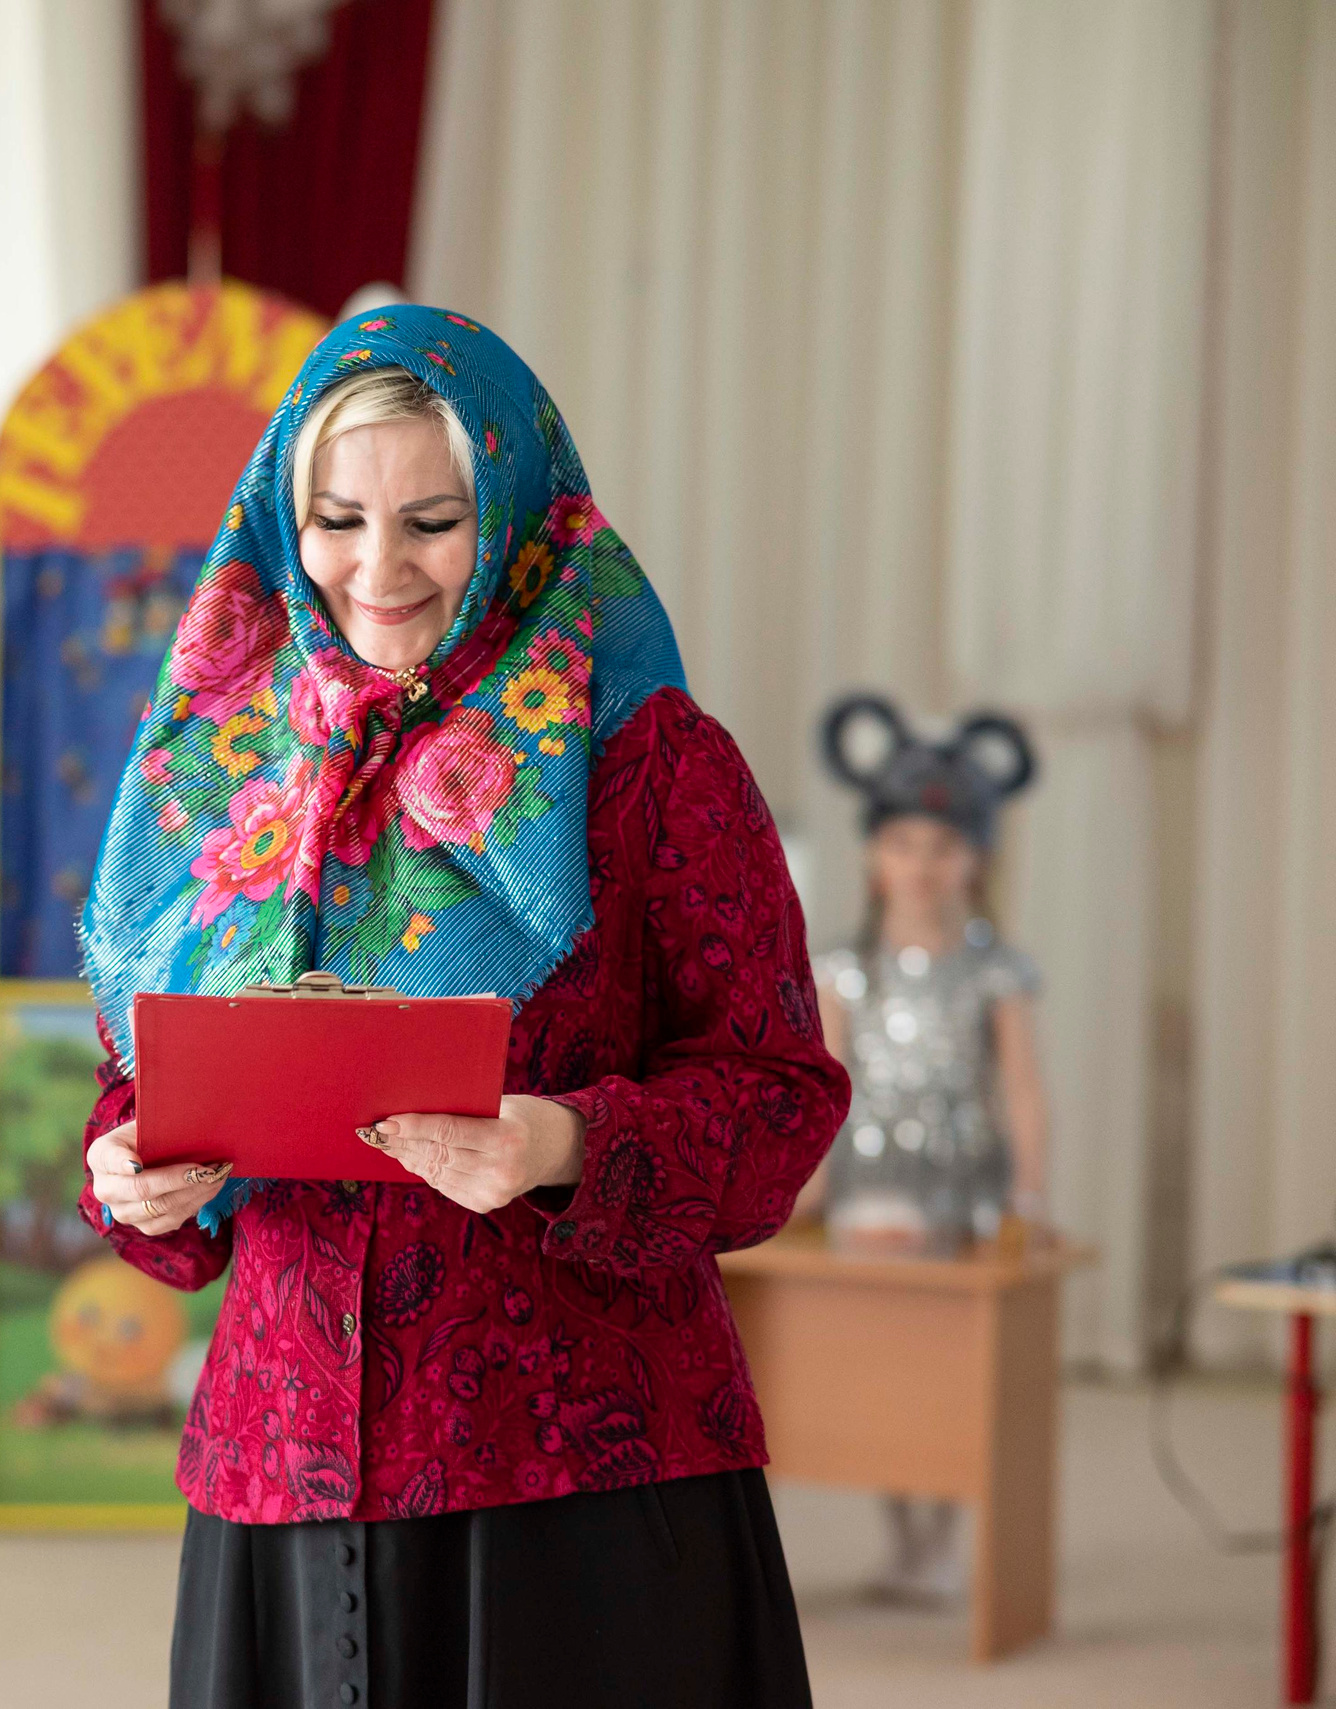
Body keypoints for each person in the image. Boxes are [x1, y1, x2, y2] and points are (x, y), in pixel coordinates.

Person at [75, 307, 849, 1708]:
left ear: (514, 512)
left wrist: (556, 1147)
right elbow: (147, 1080)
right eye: (335, 518)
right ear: (278, 518)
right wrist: (130, 1174)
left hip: (576, 1465)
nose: (378, 571)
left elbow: (780, 1098)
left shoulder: (649, 758)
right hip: (283, 1454)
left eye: (432, 520)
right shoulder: (224, 763)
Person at [804, 693, 1048, 1601]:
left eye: (942, 848)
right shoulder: (845, 968)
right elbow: (824, 1082)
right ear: (873, 857)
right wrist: (809, 1187)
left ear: (975, 861)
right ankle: (902, 1530)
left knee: (953, 1367)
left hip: (962, 1184)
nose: (921, 864)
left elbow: (1021, 1087)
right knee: (883, 1362)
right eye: (903, 844)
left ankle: (943, 1532)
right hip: (872, 1185)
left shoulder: (995, 969)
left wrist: (1028, 1193)